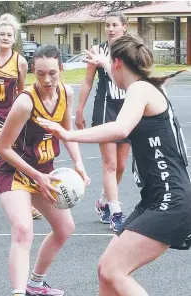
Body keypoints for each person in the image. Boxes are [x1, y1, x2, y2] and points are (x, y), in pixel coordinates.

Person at [38, 35, 191, 296]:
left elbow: (120, 128)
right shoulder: (147, 85)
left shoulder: (140, 90)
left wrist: (68, 134)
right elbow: (119, 72)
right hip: (155, 199)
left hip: (170, 200)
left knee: (112, 271)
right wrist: (103, 62)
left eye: (111, 65)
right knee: (105, 271)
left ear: (119, 63)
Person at [0, 44, 90, 296]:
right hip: (14, 172)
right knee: (24, 230)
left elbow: (67, 132)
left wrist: (78, 162)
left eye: (52, 73)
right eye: (40, 74)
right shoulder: (25, 103)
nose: (46, 79)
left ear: (61, 69)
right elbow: (2, 148)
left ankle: (35, 284)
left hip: (44, 174)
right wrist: (36, 175)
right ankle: (17, 292)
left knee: (65, 228)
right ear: (33, 72)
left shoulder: (66, 93)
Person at [75, 11, 130, 231]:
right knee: (110, 163)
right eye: (107, 25)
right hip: (105, 108)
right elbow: (88, 82)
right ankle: (116, 212)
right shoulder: (98, 51)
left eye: (114, 25)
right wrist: (79, 109)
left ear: (124, 27)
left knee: (122, 165)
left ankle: (103, 202)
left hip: (127, 109)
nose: (110, 29)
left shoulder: (130, 50)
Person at [0, 13, 42, 219]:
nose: (5, 37)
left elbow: (20, 92)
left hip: (10, 118)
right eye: (2, 34)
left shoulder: (20, 62)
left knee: (20, 159)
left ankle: (29, 204)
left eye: (9, 34)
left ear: (14, 37)